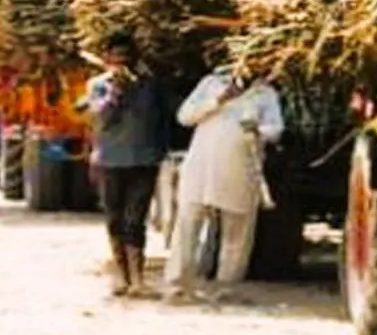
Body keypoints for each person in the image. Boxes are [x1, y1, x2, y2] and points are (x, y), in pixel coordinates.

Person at [164, 64, 284, 302]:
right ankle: (179, 284)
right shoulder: (211, 83)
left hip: (240, 169)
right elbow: (184, 116)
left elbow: (276, 128)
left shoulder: (265, 93)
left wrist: (259, 130)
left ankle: (227, 287)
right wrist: (217, 101)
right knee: (188, 224)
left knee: (237, 230)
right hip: (201, 167)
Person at [78, 32, 169, 298]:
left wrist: (160, 152)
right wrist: (115, 93)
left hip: (143, 160)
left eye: (126, 57)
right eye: (116, 57)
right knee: (114, 218)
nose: (121, 62)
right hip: (109, 160)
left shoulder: (149, 85)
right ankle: (121, 275)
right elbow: (101, 119)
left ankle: (138, 279)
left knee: (135, 219)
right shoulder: (98, 85)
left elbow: (161, 120)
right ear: (107, 59)